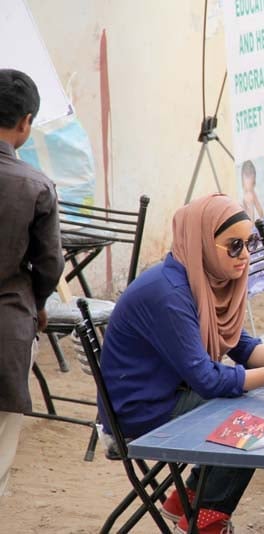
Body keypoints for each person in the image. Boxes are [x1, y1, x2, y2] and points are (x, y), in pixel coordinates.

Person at [98, 194, 264, 533]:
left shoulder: (202, 275)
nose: (246, 255)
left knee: (255, 407)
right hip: (142, 409)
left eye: (250, 243)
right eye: (234, 246)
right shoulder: (169, 293)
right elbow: (209, 380)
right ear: (203, 242)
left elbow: (241, 346)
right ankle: (206, 520)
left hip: (174, 390)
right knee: (251, 425)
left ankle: (188, 499)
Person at [0, 69, 64, 497]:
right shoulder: (35, 185)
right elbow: (49, 264)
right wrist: (37, 302)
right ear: (25, 122)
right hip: (7, 329)